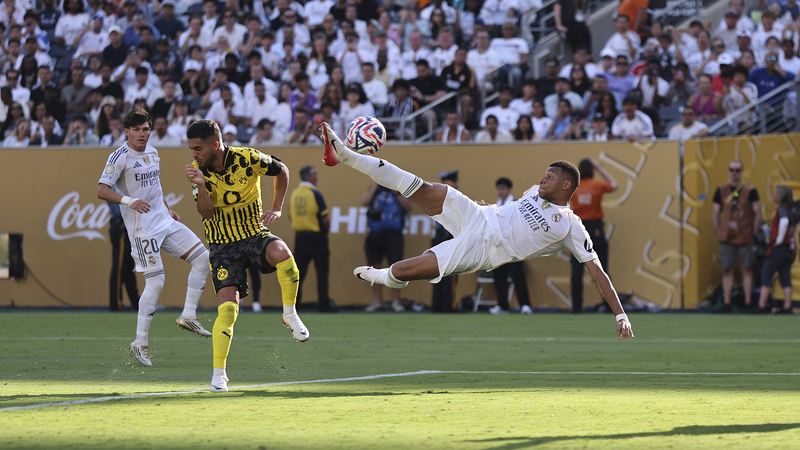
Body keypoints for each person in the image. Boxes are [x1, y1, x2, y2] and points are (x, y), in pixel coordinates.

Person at [320, 123, 634, 339]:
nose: (542, 180)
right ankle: (345, 156)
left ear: (566, 185)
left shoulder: (571, 226)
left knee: (404, 269)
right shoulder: (533, 193)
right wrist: (480, 205)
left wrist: (620, 314)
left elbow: (598, 274)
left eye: (549, 177)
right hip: (478, 215)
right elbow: (508, 211)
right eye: (543, 175)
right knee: (421, 186)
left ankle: (387, 277)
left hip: (486, 249)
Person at [185, 120, 309, 392]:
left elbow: (283, 170)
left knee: (283, 254)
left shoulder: (247, 158)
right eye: (191, 148)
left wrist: (276, 208)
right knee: (228, 308)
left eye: (198, 148)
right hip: (222, 245)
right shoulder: (197, 171)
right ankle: (219, 375)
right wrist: (202, 186)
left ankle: (289, 314)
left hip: (253, 234)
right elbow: (206, 213)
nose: (193, 154)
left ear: (215, 145)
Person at [97, 109, 212, 368]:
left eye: (145, 129)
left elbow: (155, 186)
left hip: (164, 221)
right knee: (157, 282)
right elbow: (102, 190)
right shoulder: (119, 156)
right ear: (127, 131)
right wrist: (129, 201)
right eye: (136, 129)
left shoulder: (153, 152)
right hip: (143, 230)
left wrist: (167, 207)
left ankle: (189, 315)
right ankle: (140, 342)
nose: (142, 134)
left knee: (204, 259)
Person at [711, 160, 762, 312]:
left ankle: (747, 303)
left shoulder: (750, 190)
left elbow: (757, 213)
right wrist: (718, 231)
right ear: (728, 171)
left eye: (738, 170)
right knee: (727, 269)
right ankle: (727, 303)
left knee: (747, 269)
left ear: (742, 171)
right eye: (732, 169)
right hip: (726, 235)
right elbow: (715, 213)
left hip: (745, 234)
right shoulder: (721, 190)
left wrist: (753, 232)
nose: (734, 172)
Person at [569, 159, 617, 313]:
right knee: (602, 269)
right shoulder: (597, 185)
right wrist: (600, 167)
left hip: (578, 229)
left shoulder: (573, 188)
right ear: (592, 170)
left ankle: (576, 307)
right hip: (595, 229)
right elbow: (614, 184)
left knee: (576, 270)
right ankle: (609, 305)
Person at [359, 177, 413, 313]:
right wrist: (377, 185)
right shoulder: (375, 188)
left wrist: (396, 191)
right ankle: (378, 301)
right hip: (375, 233)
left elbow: (409, 207)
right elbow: (364, 201)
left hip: (394, 235)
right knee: (374, 267)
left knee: (395, 268)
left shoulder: (399, 190)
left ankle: (395, 301)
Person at [290, 165, 333, 312]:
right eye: (315, 174)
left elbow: (291, 216)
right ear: (310, 177)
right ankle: (324, 305)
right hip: (317, 238)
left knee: (297, 275)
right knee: (322, 273)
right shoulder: (315, 194)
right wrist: (324, 233)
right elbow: (325, 219)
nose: (317, 177)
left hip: (300, 237)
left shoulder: (294, 194)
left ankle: (294, 307)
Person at [488, 177, 532, 315]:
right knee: (499, 276)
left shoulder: (516, 204)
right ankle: (503, 306)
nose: (500, 191)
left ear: (509, 189)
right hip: (499, 246)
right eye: (499, 188)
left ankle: (525, 305)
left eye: (503, 188)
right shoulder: (496, 204)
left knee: (517, 276)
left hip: (514, 246)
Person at [756, 185, 796, 314]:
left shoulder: (782, 209)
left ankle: (761, 306)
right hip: (788, 249)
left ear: (781, 195)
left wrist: (778, 239)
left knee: (766, 274)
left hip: (780, 248)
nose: (773, 195)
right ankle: (787, 306)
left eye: (775, 193)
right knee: (785, 277)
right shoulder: (791, 209)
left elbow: (783, 222)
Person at [431, 170, 459, 313]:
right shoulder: (450, 198)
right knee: (438, 271)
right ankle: (442, 305)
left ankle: (445, 304)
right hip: (443, 236)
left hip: (449, 236)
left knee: (448, 273)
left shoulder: (457, 198)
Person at [108, 200, 140, 311]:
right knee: (119, 267)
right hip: (120, 225)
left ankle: (137, 303)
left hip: (127, 226)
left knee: (128, 267)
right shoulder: (115, 183)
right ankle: (116, 303)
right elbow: (119, 208)